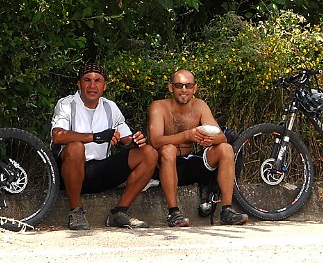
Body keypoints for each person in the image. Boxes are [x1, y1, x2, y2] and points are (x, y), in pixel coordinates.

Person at [51, 63, 158, 230]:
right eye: (87, 80)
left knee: (149, 153)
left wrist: (136, 140)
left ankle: (119, 212)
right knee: (76, 147)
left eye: (97, 81)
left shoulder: (110, 106)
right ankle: (76, 211)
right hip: (70, 172)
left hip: (100, 170)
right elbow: (57, 136)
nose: (92, 86)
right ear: (79, 84)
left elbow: (125, 138)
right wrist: (94, 137)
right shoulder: (66, 104)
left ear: (104, 85)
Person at [147, 69, 249, 227]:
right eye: (179, 85)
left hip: (190, 164)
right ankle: (174, 213)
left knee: (225, 148)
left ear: (195, 89)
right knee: (169, 149)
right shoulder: (159, 106)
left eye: (188, 86)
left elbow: (221, 136)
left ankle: (226, 210)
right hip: (166, 167)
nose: (184, 90)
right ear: (170, 87)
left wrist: (209, 139)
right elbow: (155, 141)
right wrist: (187, 135)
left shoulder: (200, 105)